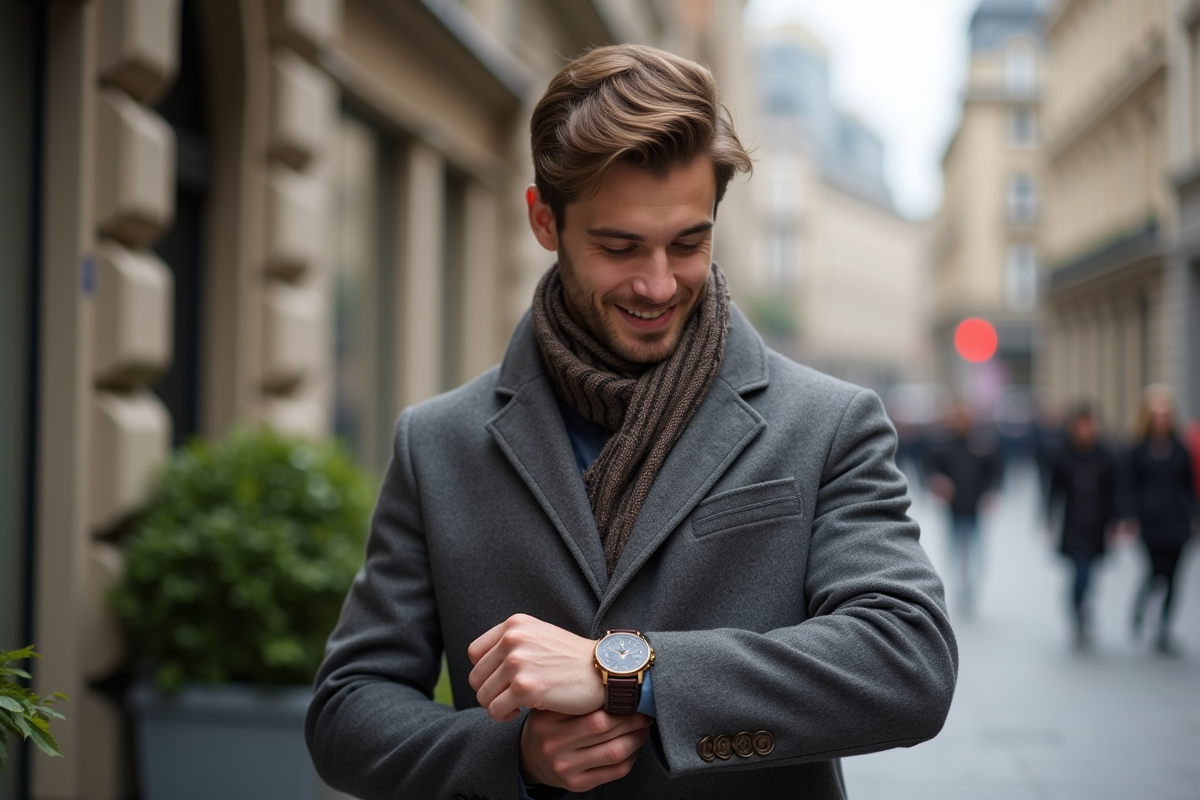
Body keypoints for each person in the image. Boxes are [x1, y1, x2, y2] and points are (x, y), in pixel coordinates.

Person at [306, 44, 957, 800]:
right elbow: (346, 710)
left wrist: (624, 670)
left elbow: (907, 662)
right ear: (544, 222)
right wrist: (509, 756)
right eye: (619, 247)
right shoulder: (436, 442)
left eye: (688, 243)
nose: (657, 283)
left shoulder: (829, 423)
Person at [1120, 385, 1198, 657]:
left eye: (1166, 413)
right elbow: (1128, 485)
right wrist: (1128, 516)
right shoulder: (1136, 449)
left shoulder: (1180, 449)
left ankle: (1164, 630)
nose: (1162, 419)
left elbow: (1189, 486)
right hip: (1149, 520)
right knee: (1156, 572)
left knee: (1175, 577)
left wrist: (1194, 515)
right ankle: (1141, 605)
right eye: (1157, 414)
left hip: (1177, 519)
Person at [1045, 404, 1117, 649]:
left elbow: (1114, 491)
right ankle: (1078, 612)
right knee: (1079, 571)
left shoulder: (1105, 454)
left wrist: (1117, 520)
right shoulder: (1062, 453)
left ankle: (1084, 607)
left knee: (1091, 573)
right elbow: (1053, 490)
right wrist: (1047, 519)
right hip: (1073, 523)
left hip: (1097, 524)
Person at [923, 402, 1003, 615]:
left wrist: (992, 492)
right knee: (955, 547)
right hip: (953, 507)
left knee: (974, 548)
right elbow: (930, 468)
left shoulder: (982, 443)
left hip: (974, 505)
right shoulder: (943, 443)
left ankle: (970, 586)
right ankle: (960, 584)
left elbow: (996, 470)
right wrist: (937, 481)